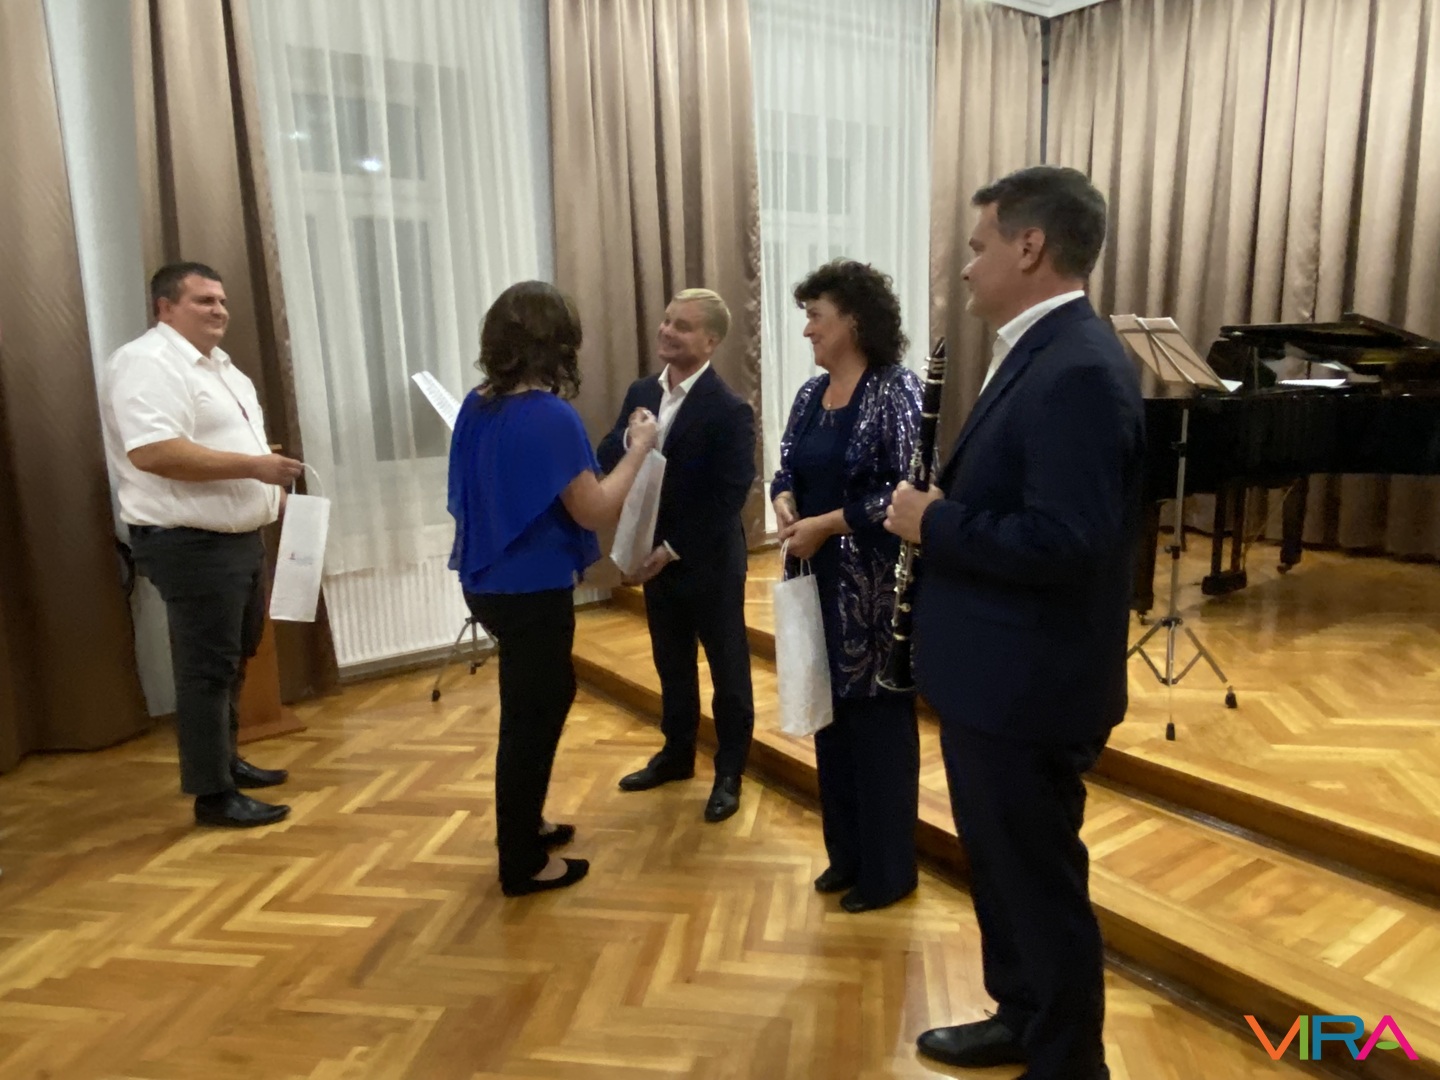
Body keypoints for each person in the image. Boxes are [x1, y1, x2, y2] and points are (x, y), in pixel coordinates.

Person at [886, 166, 1144, 1080]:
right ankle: (1022, 1016)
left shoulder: (1079, 368)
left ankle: (1069, 1063)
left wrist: (935, 523)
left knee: (1039, 887)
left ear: (1029, 246)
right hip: (995, 676)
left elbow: (1067, 541)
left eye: (978, 245)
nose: (966, 266)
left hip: (1029, 687)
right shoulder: (1043, 350)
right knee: (1003, 873)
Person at [450, 280, 657, 897]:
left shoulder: (478, 403)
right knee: (530, 719)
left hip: (487, 580)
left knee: (544, 697)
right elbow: (594, 508)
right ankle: (520, 861)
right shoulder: (550, 415)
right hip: (530, 588)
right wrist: (639, 450)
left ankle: (528, 822)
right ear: (558, 343)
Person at [101, 262, 302, 828]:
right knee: (206, 668)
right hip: (189, 542)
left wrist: (269, 494)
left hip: (236, 538)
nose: (219, 310)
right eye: (204, 301)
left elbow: (236, 444)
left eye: (222, 301)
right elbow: (154, 451)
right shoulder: (147, 362)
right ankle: (213, 796)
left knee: (234, 656)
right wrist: (257, 468)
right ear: (165, 308)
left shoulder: (224, 369)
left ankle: (226, 761)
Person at [770, 259, 923, 914]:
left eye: (816, 316)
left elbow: (907, 491)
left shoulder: (896, 389)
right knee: (830, 724)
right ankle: (848, 856)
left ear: (854, 321)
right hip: (814, 578)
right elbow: (785, 468)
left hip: (873, 591)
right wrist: (784, 502)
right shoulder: (811, 395)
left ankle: (889, 873)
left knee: (878, 732)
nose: (807, 329)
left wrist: (826, 525)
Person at [597, 289, 756, 823]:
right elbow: (608, 452)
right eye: (667, 321)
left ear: (710, 341)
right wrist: (631, 438)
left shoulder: (731, 409)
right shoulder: (642, 391)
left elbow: (728, 496)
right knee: (671, 663)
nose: (666, 331)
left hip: (708, 561)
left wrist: (669, 550)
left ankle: (729, 772)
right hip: (652, 554)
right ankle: (677, 754)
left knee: (728, 672)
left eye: (682, 326)